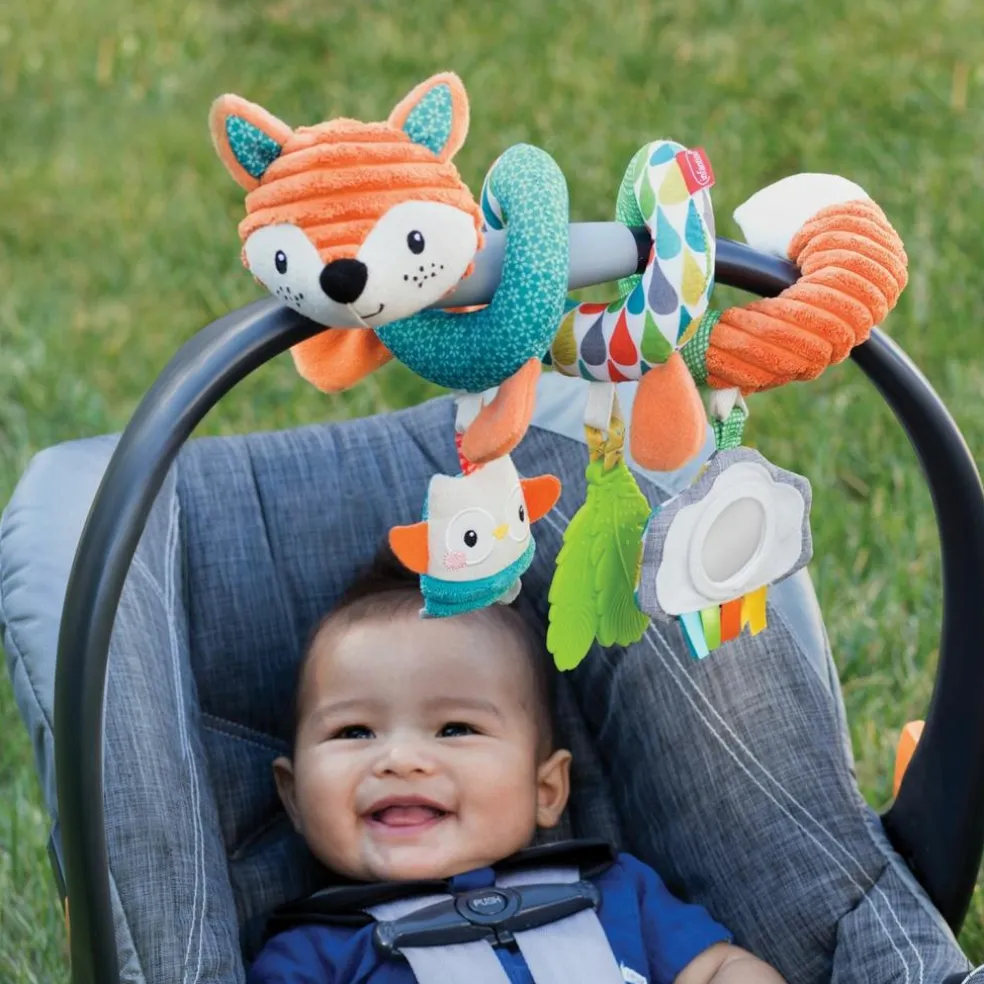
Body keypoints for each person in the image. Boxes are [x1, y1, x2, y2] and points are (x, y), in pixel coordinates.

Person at [247, 547, 789, 984]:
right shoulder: (312, 955)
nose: (400, 760)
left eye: (455, 729)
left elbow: (719, 966)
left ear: (546, 790)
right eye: (354, 732)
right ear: (294, 795)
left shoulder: (617, 890)